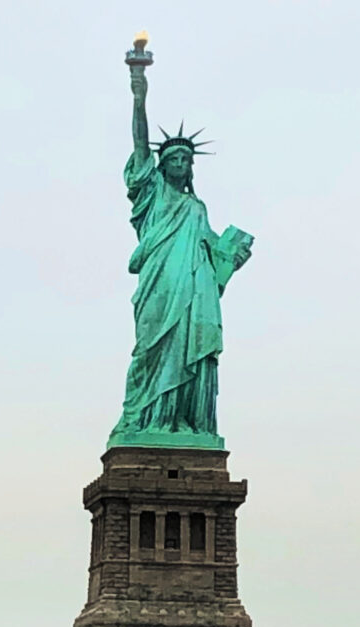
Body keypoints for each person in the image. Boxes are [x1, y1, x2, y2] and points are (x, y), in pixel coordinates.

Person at [109, 46, 253, 447]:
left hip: (194, 292)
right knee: (150, 349)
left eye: (186, 159)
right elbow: (140, 141)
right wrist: (139, 88)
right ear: (162, 164)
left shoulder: (196, 207)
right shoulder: (151, 193)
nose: (180, 163)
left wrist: (232, 257)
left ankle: (185, 423)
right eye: (173, 157)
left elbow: (213, 255)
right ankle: (143, 418)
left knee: (192, 347)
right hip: (160, 284)